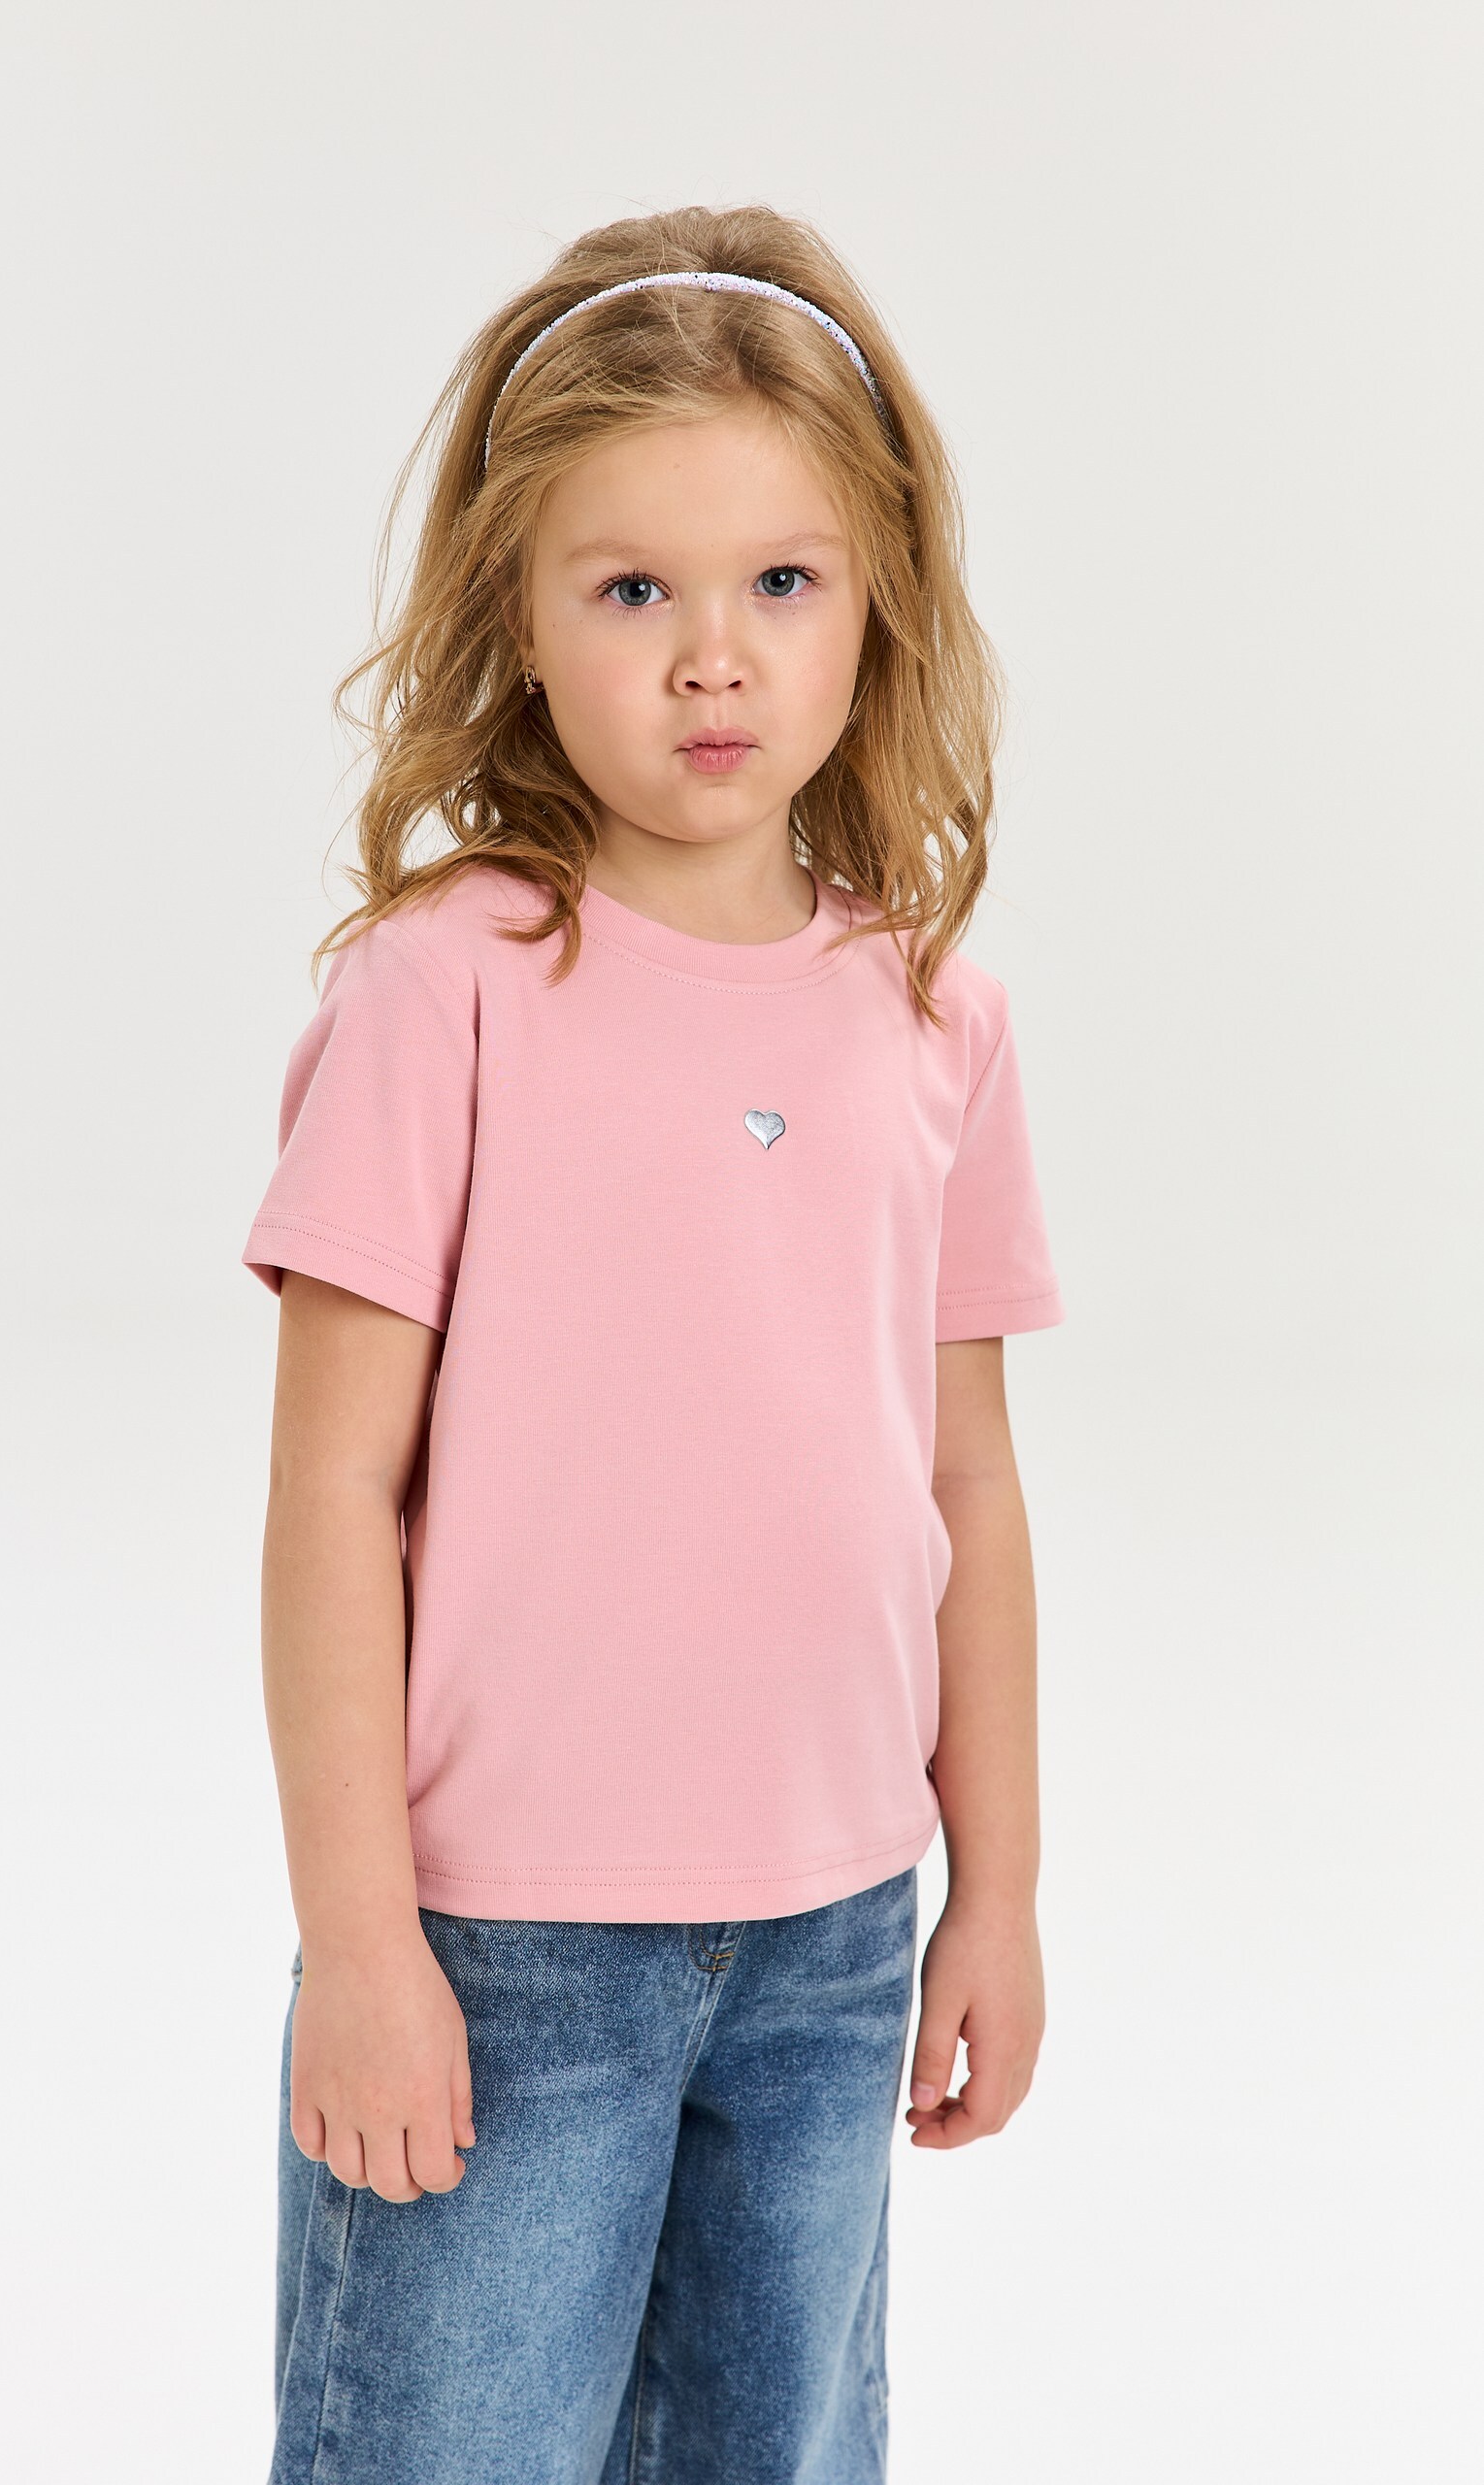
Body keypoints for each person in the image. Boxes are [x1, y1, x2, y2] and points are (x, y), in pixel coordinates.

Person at [242, 201, 1067, 2485]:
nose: (713, 658)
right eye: (632, 590)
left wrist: (994, 1887)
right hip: (502, 1951)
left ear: (875, 600)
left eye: (779, 581)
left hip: (827, 1944)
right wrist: (356, 1939)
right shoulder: (447, 987)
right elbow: (332, 1488)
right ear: (518, 616)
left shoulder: (934, 1013)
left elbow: (966, 1482)